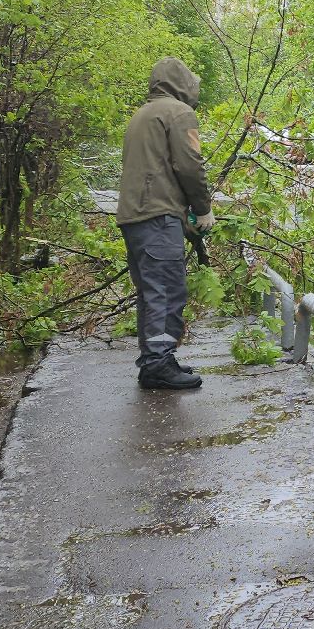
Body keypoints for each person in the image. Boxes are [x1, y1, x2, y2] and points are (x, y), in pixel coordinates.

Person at [116, 58, 216, 391]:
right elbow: (189, 166)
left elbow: (153, 173)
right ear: (182, 83)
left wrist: (180, 220)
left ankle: (156, 360)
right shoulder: (178, 113)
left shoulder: (143, 115)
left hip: (136, 216)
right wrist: (202, 209)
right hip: (156, 218)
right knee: (168, 291)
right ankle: (159, 364)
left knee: (150, 293)